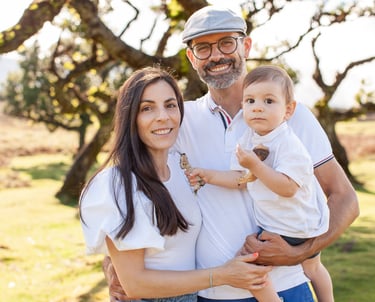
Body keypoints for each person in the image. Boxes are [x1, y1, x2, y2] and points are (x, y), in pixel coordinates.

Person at [105, 6, 359, 302]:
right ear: (191, 57)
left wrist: (299, 252)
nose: (216, 56)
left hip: (286, 288)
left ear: (246, 46)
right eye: (203, 48)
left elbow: (345, 199)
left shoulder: (292, 116)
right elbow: (137, 188)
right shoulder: (178, 119)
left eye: (226, 42)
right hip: (209, 294)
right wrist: (114, 262)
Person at [79, 66, 276, 302]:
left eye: (170, 105)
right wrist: (223, 275)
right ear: (131, 117)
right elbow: (135, 284)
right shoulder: (118, 184)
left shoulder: (181, 169)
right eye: (147, 108)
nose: (163, 116)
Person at [187, 65, 334, 302]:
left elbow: (287, 187)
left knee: (248, 265)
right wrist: (208, 175)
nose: (257, 107)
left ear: (288, 110)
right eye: (250, 100)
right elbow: (242, 180)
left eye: (268, 101)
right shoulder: (251, 137)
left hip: (290, 228)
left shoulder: (288, 144)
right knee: (313, 268)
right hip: (300, 224)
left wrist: (255, 165)